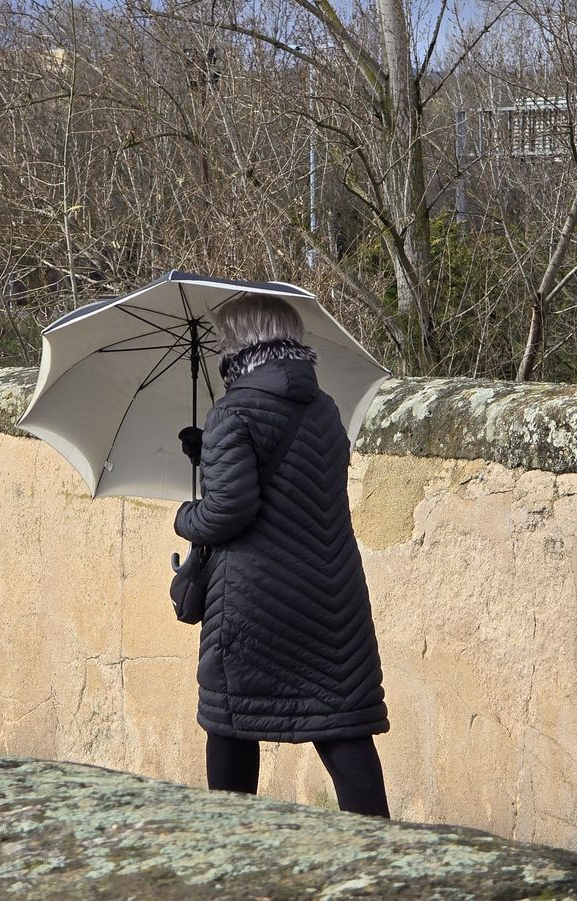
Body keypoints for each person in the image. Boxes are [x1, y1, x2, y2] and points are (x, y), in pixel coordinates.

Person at [173, 293, 390, 817]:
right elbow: (298, 488)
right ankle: (386, 854)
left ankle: (231, 848)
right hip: (331, 594)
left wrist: (186, 513)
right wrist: (214, 452)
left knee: (231, 721)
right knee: (341, 723)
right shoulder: (323, 406)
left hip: (256, 600)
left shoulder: (233, 411)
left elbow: (229, 512)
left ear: (238, 344)